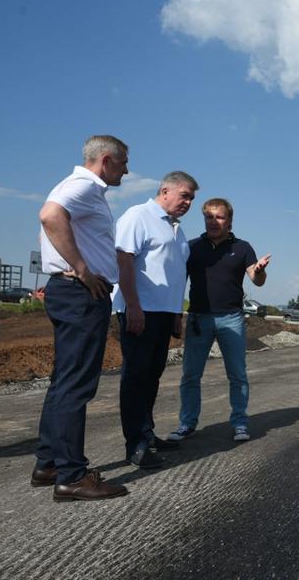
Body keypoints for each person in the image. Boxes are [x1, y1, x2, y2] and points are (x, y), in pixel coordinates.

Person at [32, 135, 129, 501]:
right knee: (76, 386)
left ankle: (50, 463)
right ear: (106, 161)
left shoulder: (78, 186)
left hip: (71, 293)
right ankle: (72, 475)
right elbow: (49, 215)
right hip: (81, 294)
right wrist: (83, 269)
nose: (127, 170)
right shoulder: (84, 186)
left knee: (64, 380)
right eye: (123, 163)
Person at [113, 171, 198, 468]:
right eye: (184, 195)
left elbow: (176, 276)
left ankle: (146, 434)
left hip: (164, 314)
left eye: (191, 198)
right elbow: (123, 260)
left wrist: (177, 315)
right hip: (140, 312)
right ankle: (134, 444)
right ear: (165, 190)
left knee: (152, 376)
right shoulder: (138, 216)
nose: (188, 202)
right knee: (135, 377)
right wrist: (133, 306)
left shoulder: (177, 230)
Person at [167, 198, 270, 443]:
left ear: (230, 221)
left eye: (219, 217)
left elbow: (257, 280)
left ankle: (240, 423)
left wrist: (260, 270)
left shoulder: (243, 248)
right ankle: (187, 423)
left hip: (231, 319)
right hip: (198, 319)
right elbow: (178, 281)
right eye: (209, 217)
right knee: (191, 375)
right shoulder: (192, 247)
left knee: (237, 374)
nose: (214, 222)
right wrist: (174, 314)